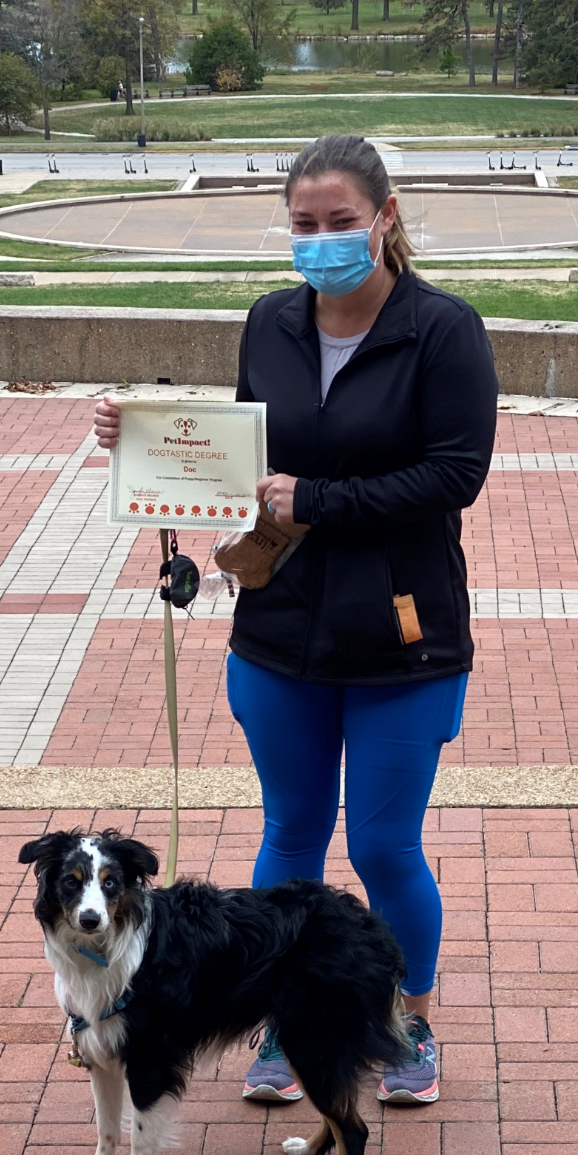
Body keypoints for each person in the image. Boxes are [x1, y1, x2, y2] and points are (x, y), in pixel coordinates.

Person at [93, 133, 497, 1105]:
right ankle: (283, 1018)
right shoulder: (270, 323)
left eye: (340, 223)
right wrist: (137, 441)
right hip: (281, 631)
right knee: (290, 831)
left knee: (382, 845)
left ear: (385, 218)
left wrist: (318, 497)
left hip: (404, 635)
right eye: (304, 225)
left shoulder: (442, 331)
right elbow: (241, 451)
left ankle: (409, 1017)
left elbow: (456, 474)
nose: (321, 241)